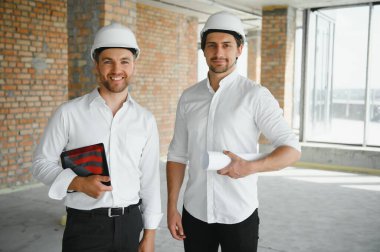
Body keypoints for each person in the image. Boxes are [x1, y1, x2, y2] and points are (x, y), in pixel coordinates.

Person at [166, 11, 301, 252]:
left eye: (227, 45)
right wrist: (172, 207)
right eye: (212, 46)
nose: (219, 53)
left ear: (239, 49)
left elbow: (292, 150)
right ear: (204, 50)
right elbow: (177, 155)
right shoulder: (188, 98)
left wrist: (251, 167)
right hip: (195, 212)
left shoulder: (255, 96)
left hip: (239, 213)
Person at [31, 23, 162, 252]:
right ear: (96, 65)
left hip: (130, 224)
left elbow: (150, 180)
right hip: (84, 226)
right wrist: (77, 182)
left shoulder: (145, 120)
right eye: (108, 61)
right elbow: (40, 164)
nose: (116, 69)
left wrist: (150, 233)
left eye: (124, 61)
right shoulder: (69, 113)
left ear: (133, 65)